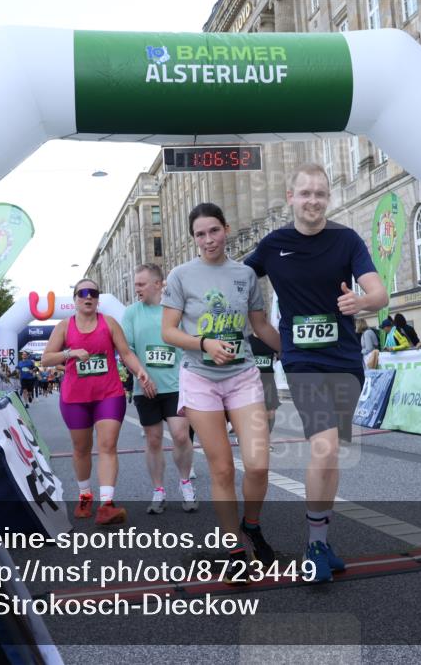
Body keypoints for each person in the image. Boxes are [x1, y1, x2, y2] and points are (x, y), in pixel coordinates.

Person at [246, 163, 389, 582]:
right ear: (290, 197)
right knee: (324, 446)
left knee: (332, 452)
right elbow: (236, 279)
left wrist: (361, 302)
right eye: (305, 193)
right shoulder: (273, 245)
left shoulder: (346, 240)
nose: (313, 201)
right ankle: (313, 545)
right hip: (302, 362)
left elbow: (379, 293)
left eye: (320, 194)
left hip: (345, 361)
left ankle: (322, 542)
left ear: (328, 198)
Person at [161, 202, 282, 580]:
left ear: (226, 229)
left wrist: (293, 353)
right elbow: (168, 331)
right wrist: (204, 344)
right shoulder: (181, 276)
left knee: (258, 464)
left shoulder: (245, 274)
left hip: (242, 375)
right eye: (200, 234)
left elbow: (260, 326)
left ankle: (252, 525)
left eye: (214, 230)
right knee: (223, 468)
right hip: (200, 379)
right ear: (193, 238)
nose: (208, 239)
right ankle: (234, 548)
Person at [42, 278, 154, 526]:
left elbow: (126, 353)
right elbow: (46, 359)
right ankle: (85, 496)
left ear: (98, 298)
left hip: (108, 394)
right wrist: (70, 353)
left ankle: (106, 504)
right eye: (82, 293)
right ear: (75, 299)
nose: (88, 296)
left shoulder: (109, 323)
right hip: (75, 398)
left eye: (93, 292)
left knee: (107, 445)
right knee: (81, 448)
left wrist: (140, 371)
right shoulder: (64, 326)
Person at [121, 263, 197, 515]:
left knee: (181, 436)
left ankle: (185, 483)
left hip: (176, 386)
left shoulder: (175, 310)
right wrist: (141, 376)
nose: (137, 289)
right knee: (153, 440)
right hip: (145, 388)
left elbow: (189, 343)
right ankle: (158, 490)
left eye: (141, 284)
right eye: (135, 284)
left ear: (157, 284)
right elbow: (127, 350)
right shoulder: (131, 313)